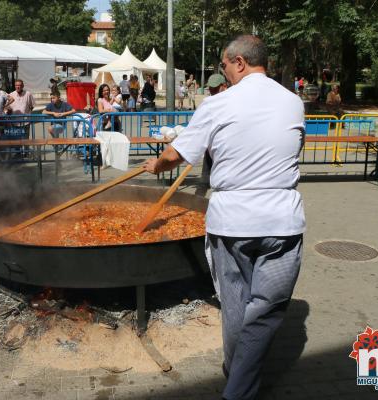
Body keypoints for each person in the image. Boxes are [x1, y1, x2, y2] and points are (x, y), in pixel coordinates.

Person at [142, 35, 305, 400]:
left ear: (240, 63)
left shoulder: (218, 105)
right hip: (283, 221)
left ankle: (236, 388)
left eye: (224, 66)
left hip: (232, 223)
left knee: (236, 310)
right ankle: (238, 377)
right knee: (264, 313)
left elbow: (177, 153)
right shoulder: (294, 103)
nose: (223, 73)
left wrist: (156, 166)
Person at [200, 73, 229, 185]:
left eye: (215, 88)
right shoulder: (208, 103)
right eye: (211, 88)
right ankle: (205, 181)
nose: (213, 91)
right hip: (211, 142)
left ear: (224, 86)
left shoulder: (232, 100)